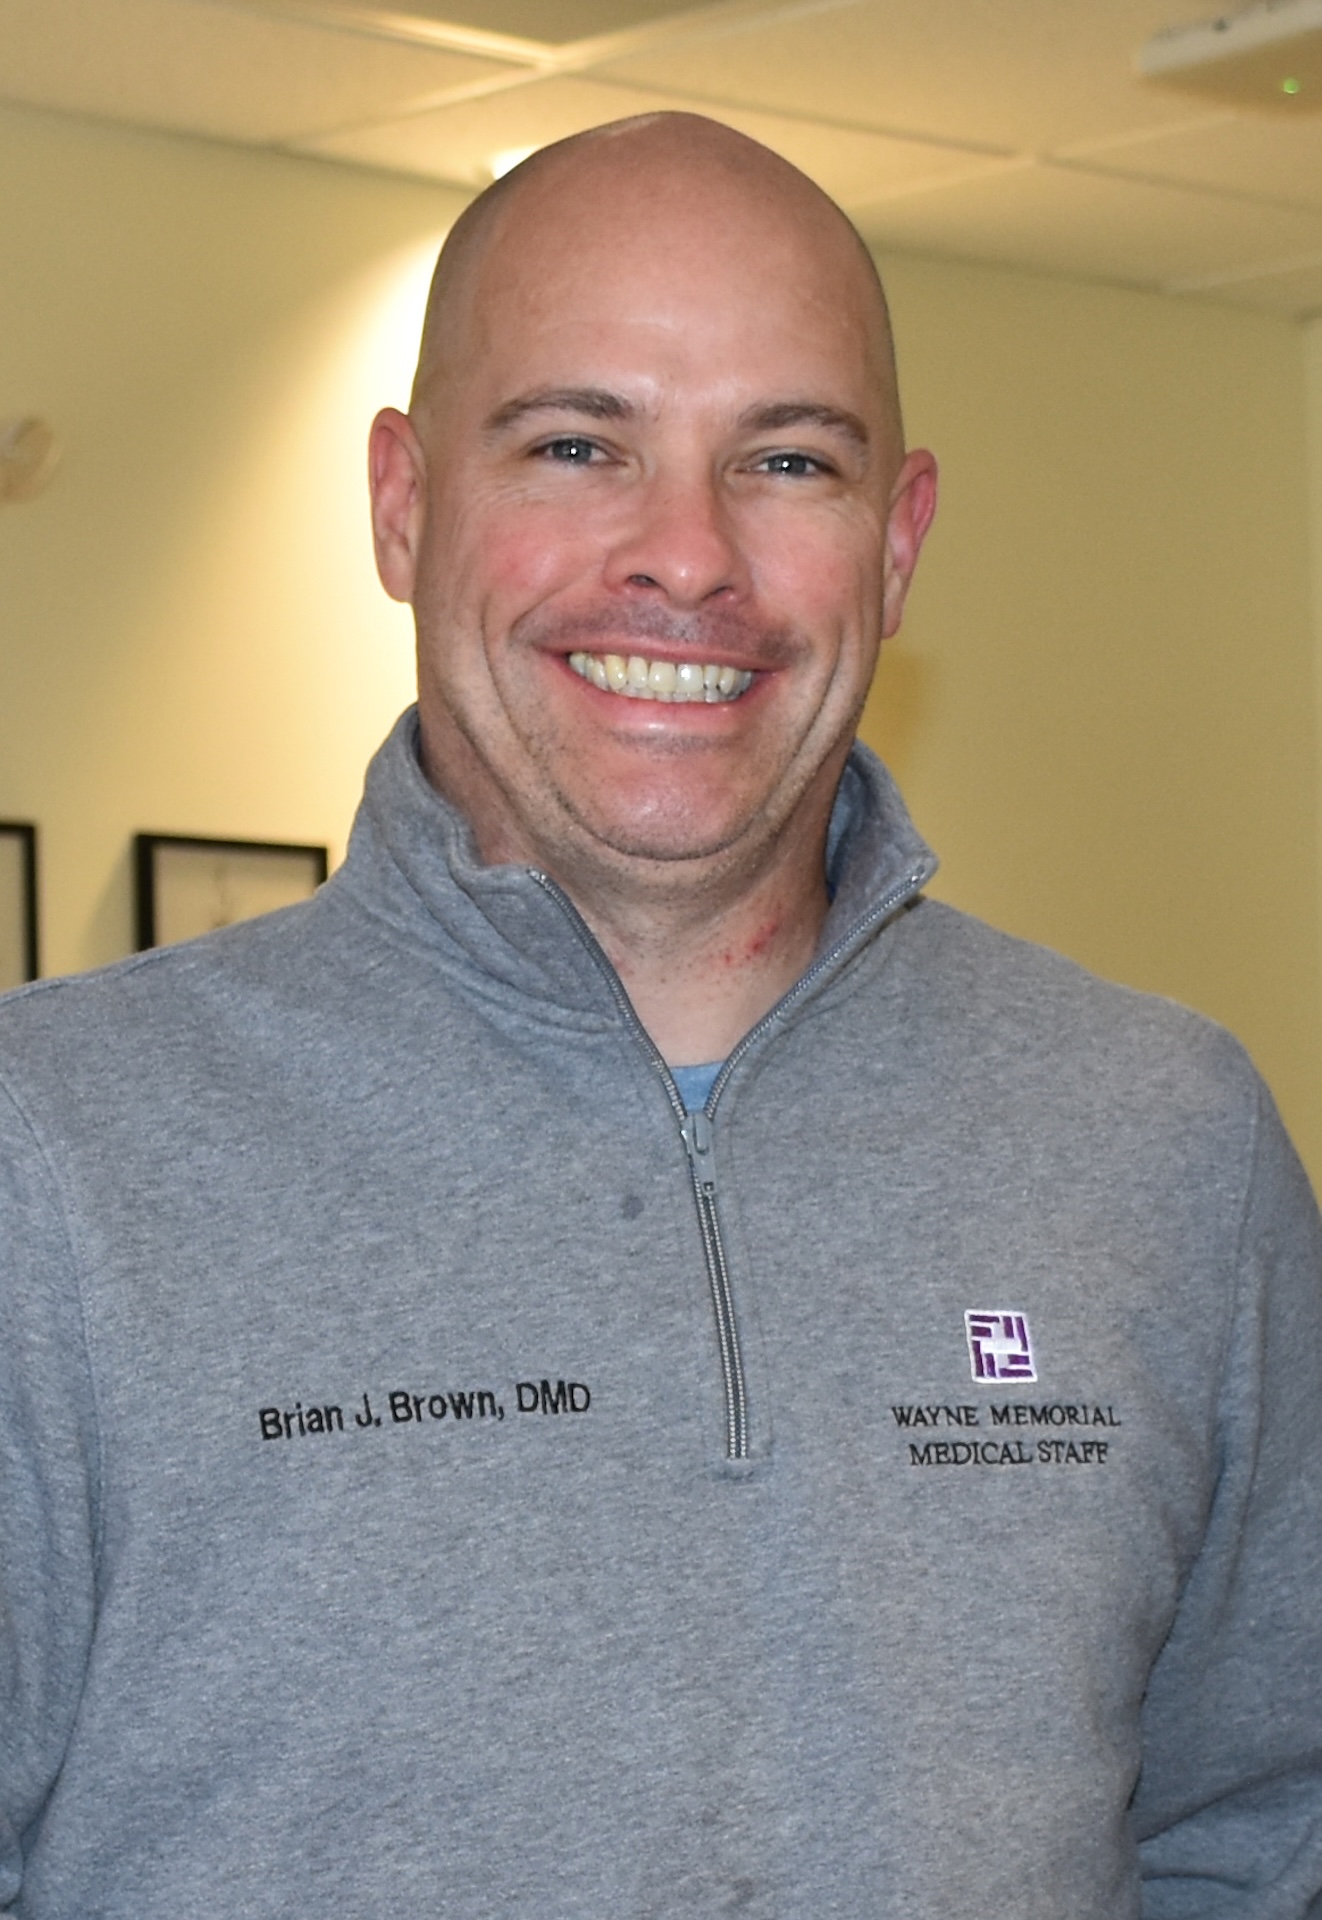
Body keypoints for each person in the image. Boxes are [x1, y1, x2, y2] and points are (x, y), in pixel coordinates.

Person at [1, 112, 1319, 1920]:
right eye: (575, 444)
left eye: (785, 459)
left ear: (898, 543)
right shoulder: (52, 1160)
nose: (686, 557)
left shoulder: (1164, 1142)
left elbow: (1260, 1841)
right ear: (402, 505)